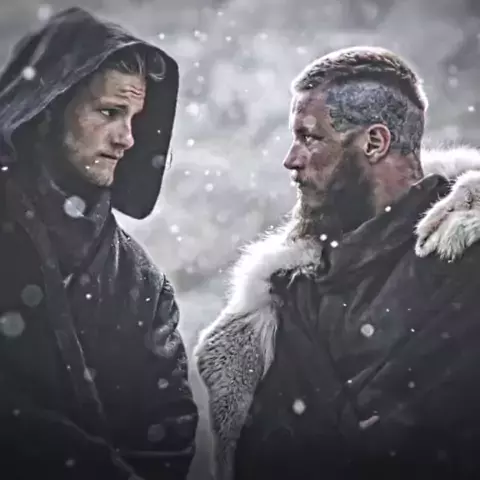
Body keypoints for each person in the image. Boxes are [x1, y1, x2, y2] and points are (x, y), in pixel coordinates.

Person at [195, 45, 480, 480]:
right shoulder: (287, 297)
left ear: (375, 142)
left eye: (310, 138)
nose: (291, 159)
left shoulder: (467, 263)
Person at [0, 7, 198, 480]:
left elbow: (167, 438)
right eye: (109, 113)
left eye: (134, 118)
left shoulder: (140, 282)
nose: (127, 138)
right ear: (50, 108)